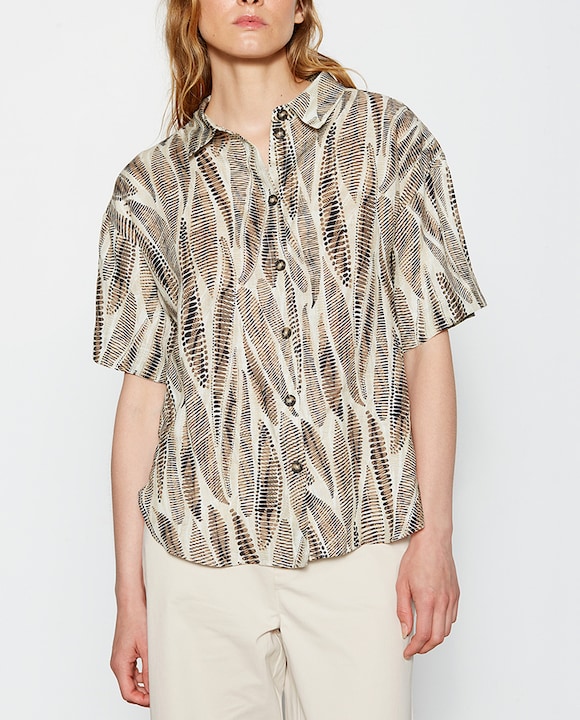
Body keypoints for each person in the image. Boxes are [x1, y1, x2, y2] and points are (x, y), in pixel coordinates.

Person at [93, 1, 486, 718]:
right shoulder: (149, 188)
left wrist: (435, 537)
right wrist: (131, 594)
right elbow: (142, 399)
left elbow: (426, 350)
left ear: (301, 7)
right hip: (197, 559)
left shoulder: (388, 140)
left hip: (359, 545)